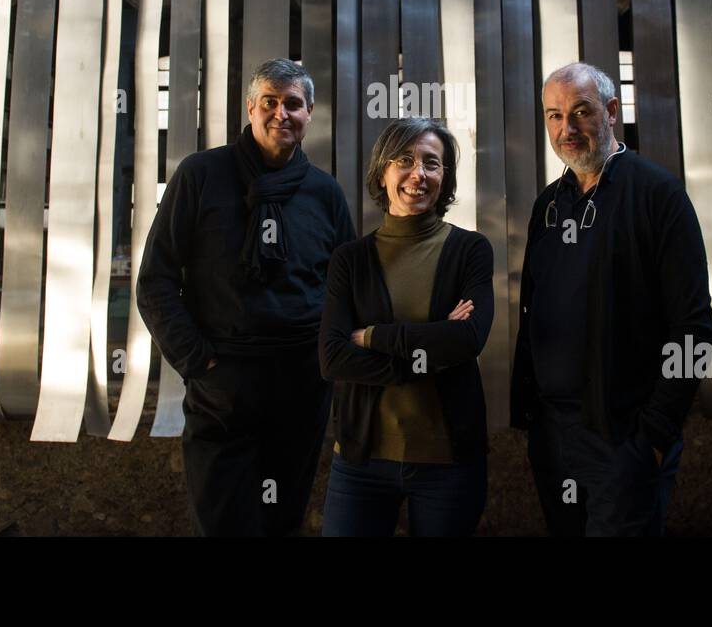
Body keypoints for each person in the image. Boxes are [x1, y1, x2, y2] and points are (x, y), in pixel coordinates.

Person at [136, 58, 356, 536]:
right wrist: (199, 362)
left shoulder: (324, 193)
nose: (282, 113)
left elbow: (346, 289)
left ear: (309, 112)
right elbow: (155, 280)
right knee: (223, 522)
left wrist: (326, 365)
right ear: (250, 108)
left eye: (293, 104)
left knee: (281, 521)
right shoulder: (200, 176)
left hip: (300, 390)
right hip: (223, 387)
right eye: (270, 102)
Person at [511, 61, 712, 536]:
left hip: (622, 438)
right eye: (554, 116)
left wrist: (654, 436)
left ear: (610, 111)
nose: (567, 128)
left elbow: (695, 330)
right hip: (554, 437)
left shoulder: (657, 195)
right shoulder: (549, 205)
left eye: (580, 112)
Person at [318, 117, 494, 536]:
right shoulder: (350, 260)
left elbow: (467, 339)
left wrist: (375, 336)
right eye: (404, 160)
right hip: (361, 462)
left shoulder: (470, 250)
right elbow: (333, 358)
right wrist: (428, 354)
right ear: (383, 171)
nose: (418, 174)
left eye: (432, 164)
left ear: (444, 177)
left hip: (448, 464)